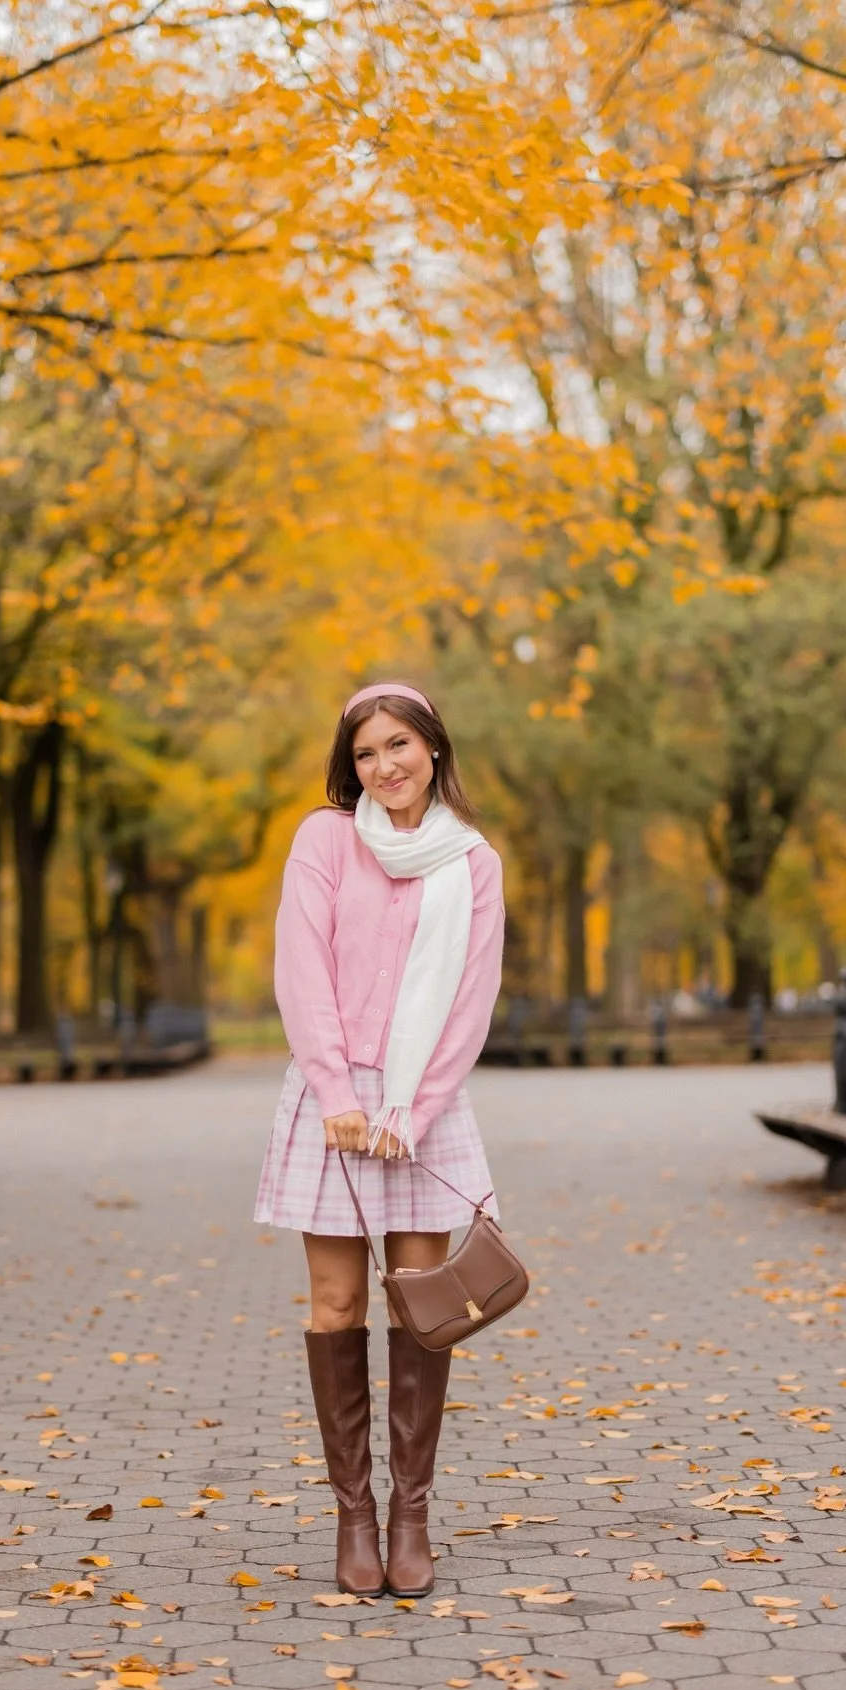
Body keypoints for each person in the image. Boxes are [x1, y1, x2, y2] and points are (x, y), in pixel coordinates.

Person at [255, 683, 504, 1596]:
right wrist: (335, 1090)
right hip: (334, 1102)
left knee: (420, 1307)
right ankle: (353, 1517)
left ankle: (412, 1518)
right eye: (365, 754)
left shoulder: (475, 863)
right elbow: (301, 966)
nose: (384, 766)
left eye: (398, 745)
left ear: (433, 748)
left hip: (420, 1113)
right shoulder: (324, 839)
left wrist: (416, 1108)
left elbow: (471, 999)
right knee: (334, 1306)